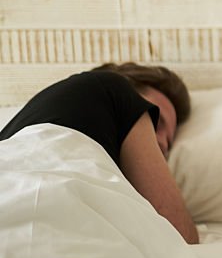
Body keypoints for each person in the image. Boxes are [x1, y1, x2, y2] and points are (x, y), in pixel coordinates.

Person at [0, 63, 200, 244]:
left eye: (169, 142)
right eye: (155, 122)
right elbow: (181, 239)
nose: (163, 143)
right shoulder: (113, 88)